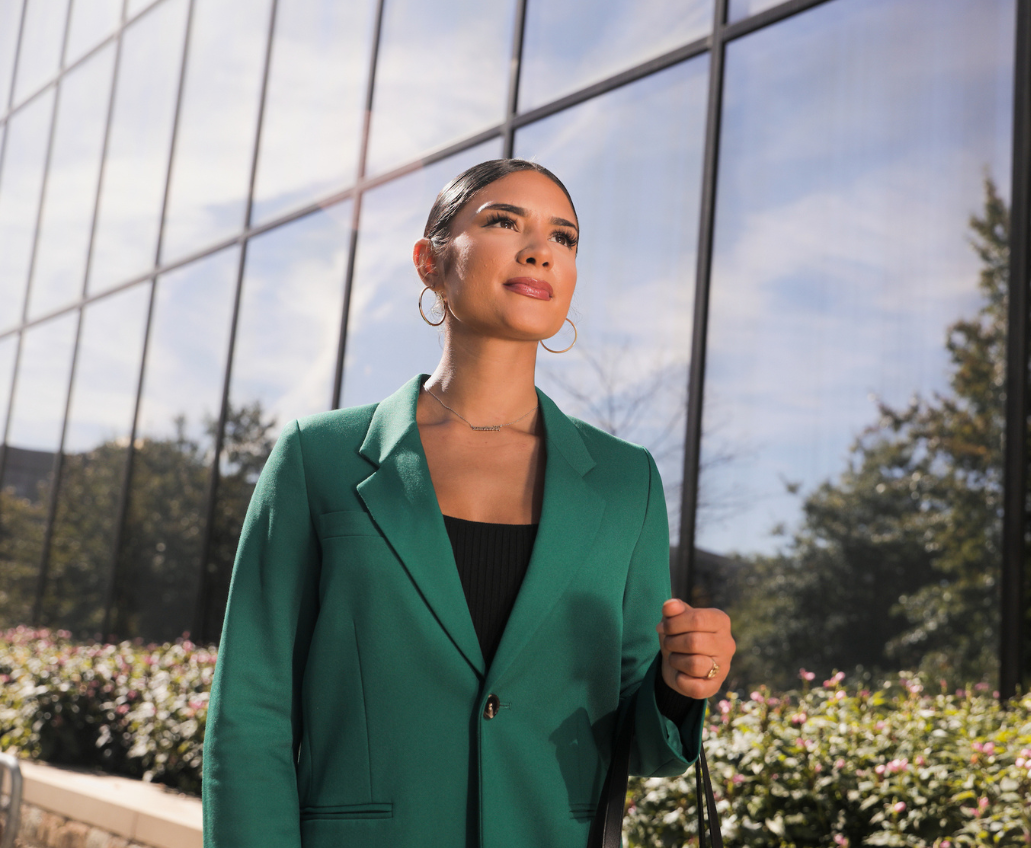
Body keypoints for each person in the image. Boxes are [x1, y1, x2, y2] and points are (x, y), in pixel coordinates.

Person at [201, 159, 736, 848]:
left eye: (563, 237)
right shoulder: (318, 458)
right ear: (430, 261)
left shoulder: (624, 483)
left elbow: (643, 746)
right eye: (503, 222)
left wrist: (680, 685)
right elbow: (251, 714)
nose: (540, 248)